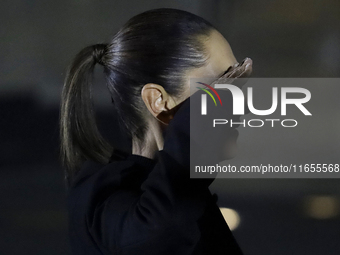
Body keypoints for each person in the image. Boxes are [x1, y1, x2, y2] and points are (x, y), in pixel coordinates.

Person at [60, 8, 251, 255]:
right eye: (222, 87)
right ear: (158, 101)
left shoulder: (188, 196)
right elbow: (154, 238)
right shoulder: (107, 200)